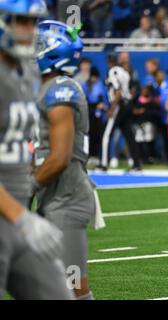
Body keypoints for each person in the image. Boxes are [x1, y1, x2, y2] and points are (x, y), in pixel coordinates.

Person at [0, 0, 73, 300]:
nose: (31, 31)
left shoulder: (28, 72)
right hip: (14, 215)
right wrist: (20, 215)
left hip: (18, 219)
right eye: (21, 21)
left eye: (33, 22)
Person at [33, 20, 103, 299]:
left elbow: (59, 157)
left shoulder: (61, 89)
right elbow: (39, 150)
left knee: (73, 287)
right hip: (53, 195)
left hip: (67, 198)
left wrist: (25, 189)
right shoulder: (44, 88)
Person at [99, 54, 142, 171]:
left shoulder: (113, 72)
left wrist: (112, 109)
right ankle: (136, 164)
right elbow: (129, 90)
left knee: (107, 134)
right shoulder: (124, 72)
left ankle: (103, 163)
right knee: (129, 136)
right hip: (127, 105)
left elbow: (117, 92)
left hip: (119, 105)